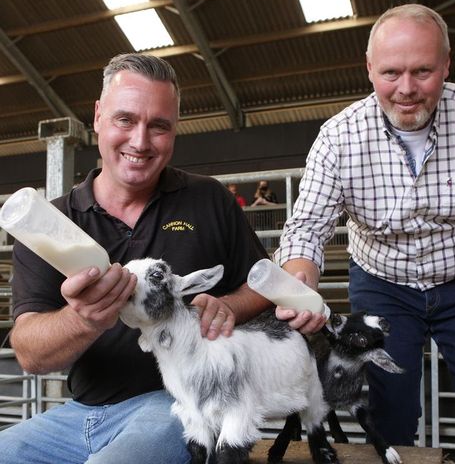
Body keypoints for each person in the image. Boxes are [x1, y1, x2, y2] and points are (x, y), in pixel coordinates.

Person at [0, 53, 270, 464]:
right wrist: (85, 318)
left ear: (175, 129)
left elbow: (264, 287)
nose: (141, 142)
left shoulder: (209, 200)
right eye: (125, 119)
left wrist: (227, 306)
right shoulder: (51, 224)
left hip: (178, 401)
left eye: (159, 126)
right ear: (97, 116)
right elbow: (30, 353)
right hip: (78, 414)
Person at [274, 4, 455, 463]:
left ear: (447, 64)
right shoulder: (338, 138)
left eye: (423, 71)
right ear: (369, 69)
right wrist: (298, 279)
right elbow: (306, 226)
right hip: (383, 284)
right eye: (391, 73)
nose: (406, 90)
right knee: (388, 406)